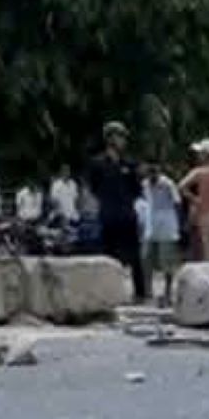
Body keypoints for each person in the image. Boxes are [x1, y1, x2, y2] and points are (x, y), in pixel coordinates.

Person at [89, 122, 146, 300]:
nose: (123, 141)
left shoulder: (130, 164)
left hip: (127, 214)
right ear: (110, 139)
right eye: (120, 137)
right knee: (108, 256)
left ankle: (140, 293)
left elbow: (137, 190)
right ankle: (109, 292)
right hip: (108, 214)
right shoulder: (97, 164)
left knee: (134, 256)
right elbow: (94, 187)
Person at [139, 163, 182, 306]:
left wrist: (179, 225)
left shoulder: (168, 184)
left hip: (167, 225)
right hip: (150, 225)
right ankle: (148, 292)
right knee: (146, 259)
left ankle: (167, 293)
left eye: (154, 174)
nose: (152, 177)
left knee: (166, 262)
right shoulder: (144, 184)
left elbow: (177, 203)